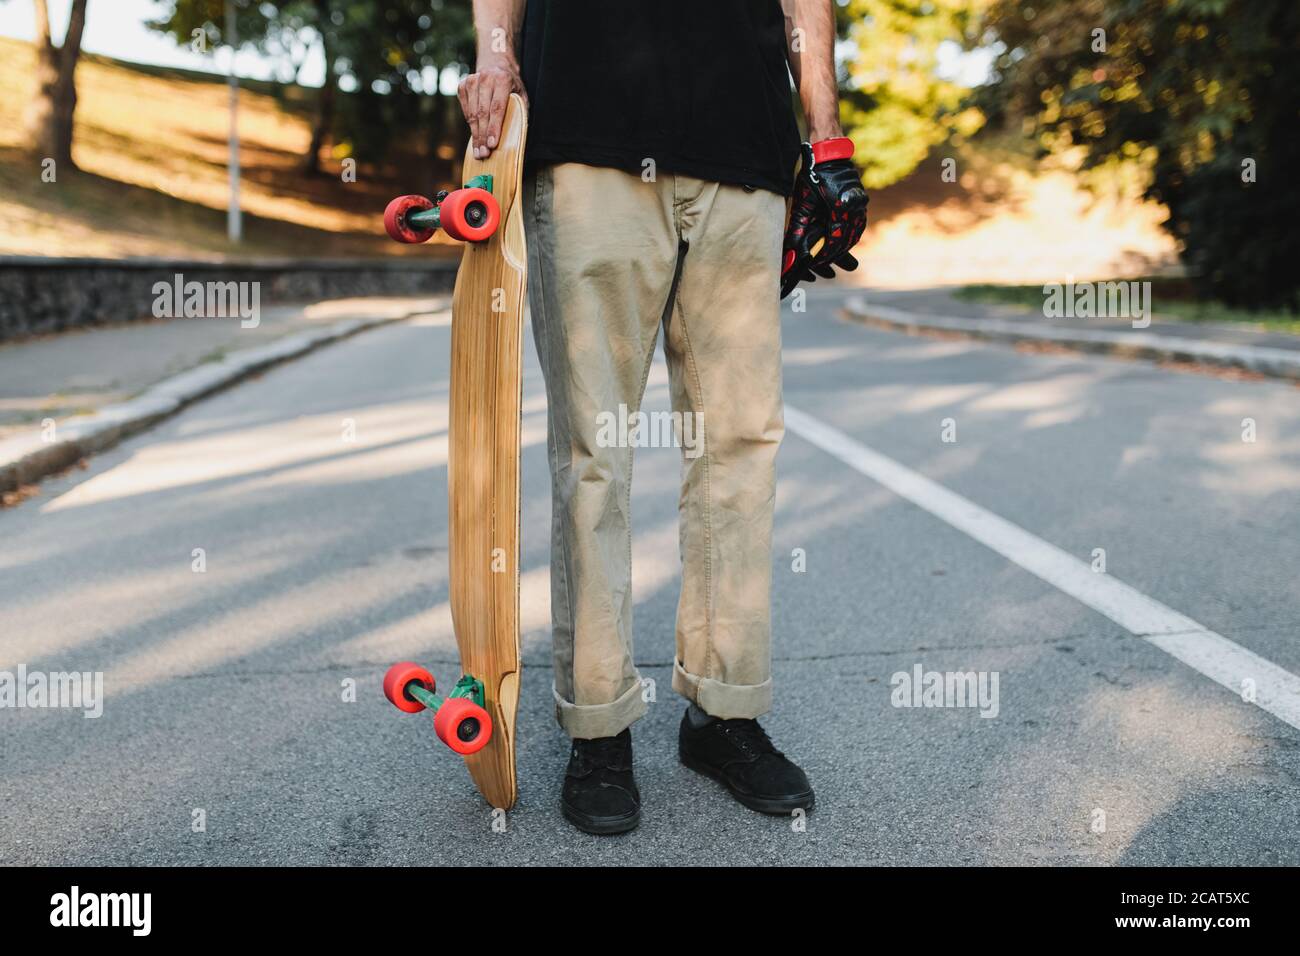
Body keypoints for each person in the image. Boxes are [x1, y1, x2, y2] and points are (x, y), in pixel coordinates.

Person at [457, 0, 869, 834]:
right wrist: (496, 56)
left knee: (741, 443)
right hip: (588, 139)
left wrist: (826, 141)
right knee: (594, 451)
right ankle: (598, 725)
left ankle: (723, 713)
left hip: (744, 150)